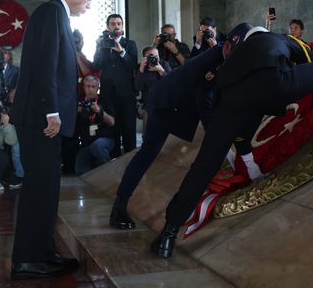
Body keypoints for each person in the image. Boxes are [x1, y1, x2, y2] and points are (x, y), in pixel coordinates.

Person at [150, 23, 313, 258]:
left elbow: (240, 126)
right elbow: (311, 59)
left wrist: (246, 156)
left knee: (205, 164)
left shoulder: (233, 58)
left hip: (231, 99)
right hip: (274, 83)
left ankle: (168, 234)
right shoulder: (280, 38)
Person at [108, 44, 263, 229]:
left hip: (169, 104)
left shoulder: (219, 57)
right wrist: (224, 149)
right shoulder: (210, 63)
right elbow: (205, 105)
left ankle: (119, 207)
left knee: (145, 155)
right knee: (146, 155)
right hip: (165, 107)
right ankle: (119, 208)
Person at [10, 0, 96, 280]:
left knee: (48, 189)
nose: (89, 5)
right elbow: (43, 64)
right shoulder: (50, 12)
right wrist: (50, 112)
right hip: (39, 118)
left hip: (43, 117)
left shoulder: (58, 14)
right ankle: (28, 260)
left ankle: (43, 253)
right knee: (38, 190)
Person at [93, 14, 138, 155]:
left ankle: (130, 163)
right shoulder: (103, 44)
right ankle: (113, 166)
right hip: (108, 95)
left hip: (126, 95)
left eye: (119, 23)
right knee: (112, 131)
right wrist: (98, 48)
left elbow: (133, 67)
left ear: (122, 26)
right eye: (113, 24)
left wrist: (122, 52)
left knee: (129, 130)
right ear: (108, 27)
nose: (116, 26)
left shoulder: (130, 44)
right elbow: (96, 67)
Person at [62, 29, 94, 174]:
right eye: (74, 40)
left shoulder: (84, 58)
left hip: (84, 99)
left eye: (78, 40)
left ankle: (81, 165)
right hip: (68, 101)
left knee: (85, 134)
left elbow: (88, 74)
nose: (77, 43)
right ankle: (68, 166)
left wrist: (76, 55)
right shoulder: (63, 57)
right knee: (69, 135)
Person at [74, 76, 116, 175]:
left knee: (97, 146)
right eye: (88, 86)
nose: (90, 90)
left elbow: (112, 122)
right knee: (80, 170)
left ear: (98, 88)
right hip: (86, 143)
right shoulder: (78, 101)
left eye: (93, 87)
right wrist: (75, 112)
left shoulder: (104, 100)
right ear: (84, 88)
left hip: (105, 140)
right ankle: (98, 168)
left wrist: (100, 111)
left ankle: (109, 173)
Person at [135, 46, 171, 123]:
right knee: (148, 132)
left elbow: (171, 83)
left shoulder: (164, 64)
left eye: (156, 56)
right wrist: (141, 70)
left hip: (164, 104)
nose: (154, 58)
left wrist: (161, 71)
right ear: (144, 58)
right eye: (151, 56)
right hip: (149, 105)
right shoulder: (140, 67)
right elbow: (137, 88)